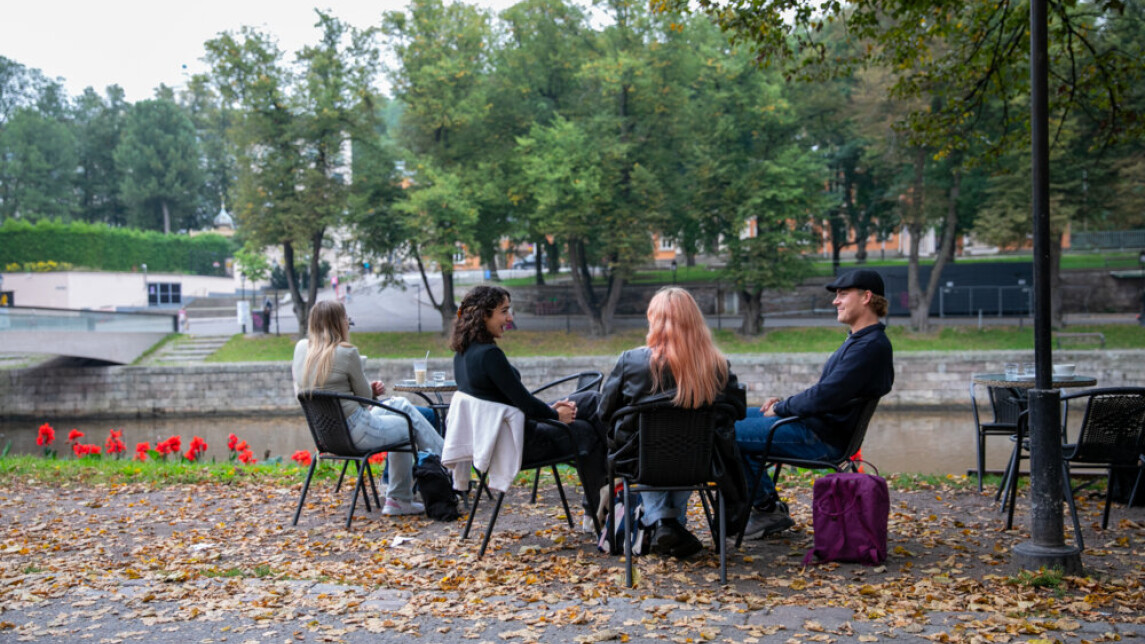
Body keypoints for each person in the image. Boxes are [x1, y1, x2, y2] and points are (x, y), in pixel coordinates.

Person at [736, 269, 895, 539]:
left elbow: (825, 396)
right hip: (814, 427)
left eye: (843, 294)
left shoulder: (869, 347)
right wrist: (784, 404)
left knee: (723, 432)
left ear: (866, 297)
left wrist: (782, 408)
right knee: (730, 417)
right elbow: (826, 393)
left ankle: (764, 510)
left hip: (819, 439)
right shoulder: (862, 341)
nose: (835, 301)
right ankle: (765, 506)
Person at [598, 287, 747, 558]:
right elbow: (738, 410)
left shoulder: (631, 361)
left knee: (651, 448)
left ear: (654, 320)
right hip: (700, 462)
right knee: (684, 449)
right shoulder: (717, 365)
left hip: (639, 462)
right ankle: (671, 525)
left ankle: (663, 523)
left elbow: (605, 411)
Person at [449, 285, 608, 517]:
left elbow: (517, 402)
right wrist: (555, 415)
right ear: (484, 315)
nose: (510, 318)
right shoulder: (490, 356)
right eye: (504, 311)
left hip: (505, 436)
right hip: (522, 443)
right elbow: (525, 404)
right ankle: (603, 504)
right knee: (587, 432)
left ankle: (608, 491)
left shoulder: (462, 354)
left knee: (592, 400)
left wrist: (551, 411)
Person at [292, 300, 444, 516]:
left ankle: (445, 460)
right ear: (338, 322)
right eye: (345, 318)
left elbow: (325, 391)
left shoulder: (302, 351)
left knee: (401, 405)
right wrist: (370, 391)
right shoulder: (347, 352)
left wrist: (363, 393)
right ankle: (405, 494)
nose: (348, 322)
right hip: (356, 432)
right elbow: (364, 399)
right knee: (407, 423)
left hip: (327, 436)